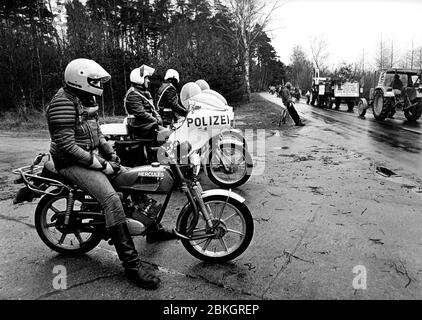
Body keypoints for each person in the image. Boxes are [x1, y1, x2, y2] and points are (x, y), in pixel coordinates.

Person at [45, 58, 160, 289]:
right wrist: (99, 164)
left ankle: (153, 229)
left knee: (134, 177)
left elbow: (96, 132)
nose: (99, 84)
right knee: (111, 199)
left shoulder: (85, 99)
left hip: (87, 156)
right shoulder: (62, 103)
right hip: (70, 162)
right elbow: (67, 146)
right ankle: (132, 266)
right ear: (80, 79)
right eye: (95, 80)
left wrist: (110, 153)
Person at [123, 65, 176, 243]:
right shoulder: (133, 94)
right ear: (139, 79)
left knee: (143, 189)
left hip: (143, 136)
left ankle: (152, 227)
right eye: (146, 79)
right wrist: (157, 120)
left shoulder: (141, 93)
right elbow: (140, 114)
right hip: (139, 136)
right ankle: (146, 228)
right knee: (138, 186)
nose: (148, 81)